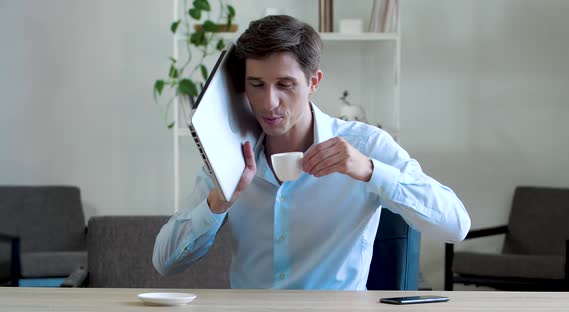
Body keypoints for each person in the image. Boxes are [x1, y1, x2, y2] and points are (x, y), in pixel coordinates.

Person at [153, 15, 470, 290]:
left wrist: (372, 171)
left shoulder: (366, 145)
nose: (268, 103)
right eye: (257, 85)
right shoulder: (230, 155)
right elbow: (164, 263)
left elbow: (456, 226)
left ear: (313, 81)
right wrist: (218, 202)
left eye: (285, 84)